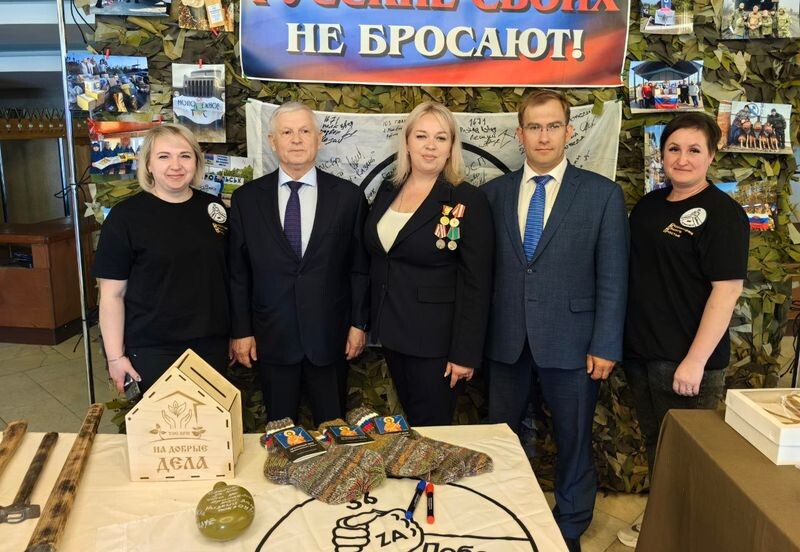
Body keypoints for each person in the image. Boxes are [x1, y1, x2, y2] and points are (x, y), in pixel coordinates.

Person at [482, 90, 628, 552]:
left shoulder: (602, 195)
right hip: (506, 342)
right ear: (520, 133)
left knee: (573, 440)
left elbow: (613, 277)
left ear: (569, 131)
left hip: (574, 343)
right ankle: (505, 519)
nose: (543, 136)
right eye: (534, 127)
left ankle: (569, 529)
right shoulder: (493, 195)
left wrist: (605, 344)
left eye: (552, 126)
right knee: (502, 440)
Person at [617, 113, 749, 548]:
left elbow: (726, 291)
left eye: (694, 150)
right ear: (662, 154)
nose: (683, 158)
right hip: (642, 354)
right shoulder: (649, 206)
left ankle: (690, 535)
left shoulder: (724, 214)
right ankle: (662, 520)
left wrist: (694, 361)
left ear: (711, 155)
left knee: (691, 456)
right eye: (674, 149)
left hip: (688, 361)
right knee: (657, 446)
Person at [229, 102, 369, 425]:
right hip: (271, 338)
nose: (296, 139)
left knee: (334, 431)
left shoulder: (348, 197)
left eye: (304, 131)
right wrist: (241, 331)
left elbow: (359, 268)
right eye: (287, 132)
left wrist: (359, 324)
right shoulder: (246, 200)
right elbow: (239, 273)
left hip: (331, 338)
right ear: (272, 141)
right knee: (281, 434)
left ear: (319, 139)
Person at [365, 101, 494, 427]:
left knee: (432, 430)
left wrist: (465, 353)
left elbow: (477, 284)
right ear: (407, 142)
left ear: (451, 147)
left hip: (437, 343)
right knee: (412, 426)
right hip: (392, 333)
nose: (430, 146)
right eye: (421, 136)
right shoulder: (388, 190)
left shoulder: (467, 199)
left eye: (440, 137)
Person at [93, 124, 230, 394]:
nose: (176, 165)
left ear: (196, 162)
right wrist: (115, 357)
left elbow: (226, 276)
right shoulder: (125, 217)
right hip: (153, 348)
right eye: (164, 156)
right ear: (148, 164)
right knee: (164, 422)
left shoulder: (213, 208)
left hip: (211, 344)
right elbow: (111, 295)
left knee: (209, 420)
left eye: (185, 156)